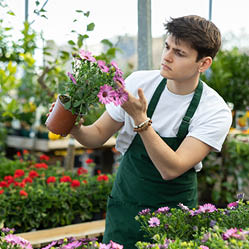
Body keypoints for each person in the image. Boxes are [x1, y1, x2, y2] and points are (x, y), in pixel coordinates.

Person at [49, 15, 232, 248]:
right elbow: (96, 135)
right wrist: (73, 126)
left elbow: (171, 168)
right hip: (125, 206)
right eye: (167, 47)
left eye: (179, 53)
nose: (166, 57)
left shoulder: (214, 110)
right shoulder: (139, 82)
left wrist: (139, 118)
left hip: (172, 217)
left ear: (204, 63)